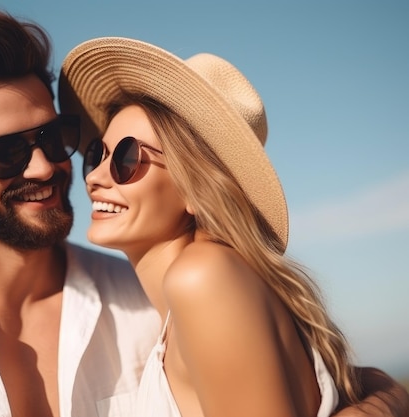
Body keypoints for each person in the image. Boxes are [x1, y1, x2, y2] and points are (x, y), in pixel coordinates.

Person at [0, 9, 407, 417]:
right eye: (6, 152)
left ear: (201, 186)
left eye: (56, 136)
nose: (52, 167)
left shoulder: (172, 293)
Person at [58, 36, 409, 417]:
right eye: (99, 154)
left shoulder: (203, 278)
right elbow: (368, 381)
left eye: (127, 157)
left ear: (196, 189)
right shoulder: (208, 286)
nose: (95, 177)